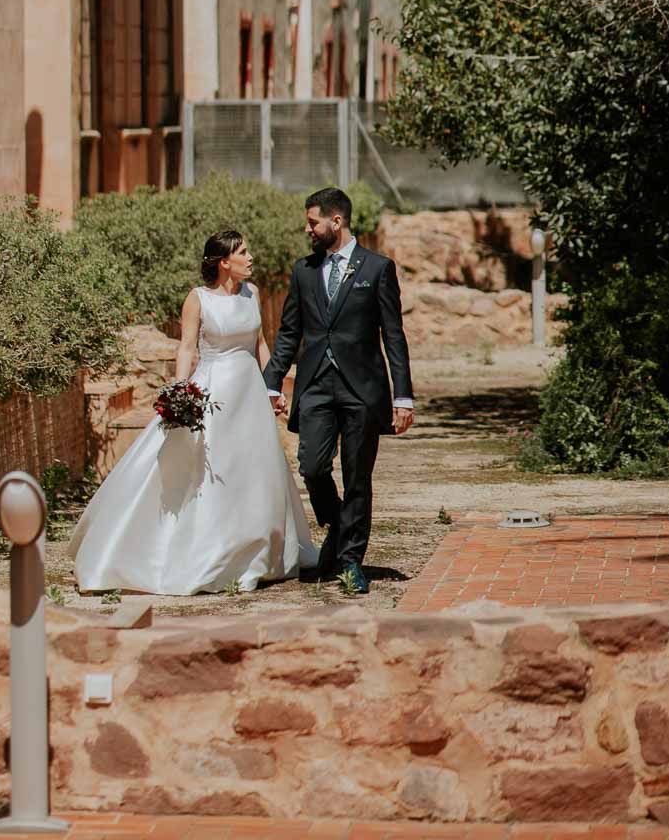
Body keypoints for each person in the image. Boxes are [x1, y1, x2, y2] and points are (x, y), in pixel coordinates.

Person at [71, 228, 315, 595]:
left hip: (249, 392)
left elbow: (261, 343)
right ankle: (207, 553)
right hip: (214, 390)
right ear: (224, 262)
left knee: (253, 469)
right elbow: (186, 348)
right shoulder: (198, 299)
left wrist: (272, 386)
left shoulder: (253, 293)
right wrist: (180, 391)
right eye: (243, 252)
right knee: (209, 469)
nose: (251, 258)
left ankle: (259, 553)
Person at [264, 186, 414, 595]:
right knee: (311, 465)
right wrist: (270, 382)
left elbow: (394, 336)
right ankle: (337, 525)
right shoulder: (303, 271)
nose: (307, 229)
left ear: (337, 221)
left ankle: (349, 562)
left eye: (313, 221)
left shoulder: (377, 269)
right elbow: (289, 332)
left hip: (363, 389)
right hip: (315, 385)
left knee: (357, 477)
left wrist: (403, 395)